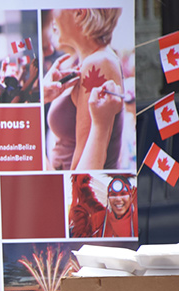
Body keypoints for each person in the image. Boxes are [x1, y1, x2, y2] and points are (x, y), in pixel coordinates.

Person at [44, 8, 125, 170]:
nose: (52, 16)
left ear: (80, 13)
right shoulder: (79, 62)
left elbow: (83, 173)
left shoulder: (98, 63)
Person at [69, 174, 137, 237]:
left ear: (130, 196)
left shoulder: (138, 219)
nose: (118, 199)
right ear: (108, 198)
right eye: (113, 195)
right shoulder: (98, 220)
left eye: (123, 194)